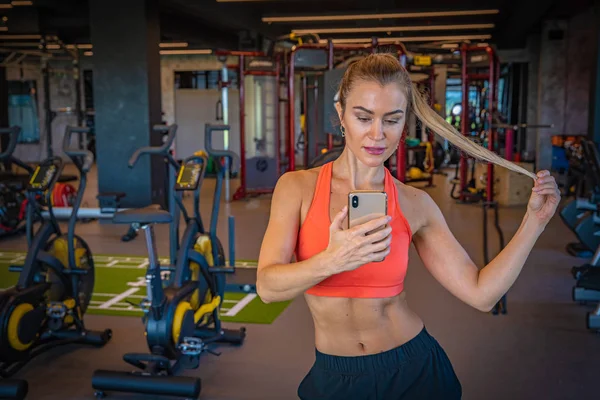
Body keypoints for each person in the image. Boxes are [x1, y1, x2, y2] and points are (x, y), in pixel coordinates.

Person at [256, 53, 560, 400]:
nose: (376, 134)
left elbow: (481, 294)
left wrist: (534, 222)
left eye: (392, 119)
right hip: (335, 375)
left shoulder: (415, 203)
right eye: (363, 117)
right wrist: (332, 260)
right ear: (341, 114)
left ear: (405, 124)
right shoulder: (296, 188)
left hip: (412, 371)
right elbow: (267, 286)